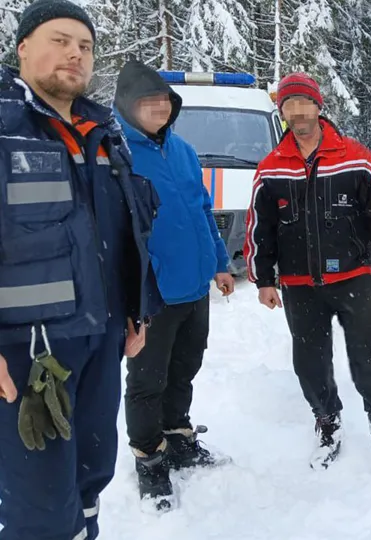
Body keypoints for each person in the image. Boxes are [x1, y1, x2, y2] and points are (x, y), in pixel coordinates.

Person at [0, 1, 163, 538]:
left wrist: (134, 313)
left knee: (90, 477)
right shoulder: (5, 126)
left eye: (86, 46)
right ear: (23, 48)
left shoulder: (103, 132)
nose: (75, 53)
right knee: (38, 505)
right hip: (28, 354)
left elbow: (124, 232)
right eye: (60, 40)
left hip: (102, 338)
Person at [244, 72, 371, 468]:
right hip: (299, 283)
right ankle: (327, 421)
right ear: (281, 111)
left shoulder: (355, 157)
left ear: (319, 106)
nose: (298, 111)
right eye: (289, 104)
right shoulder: (271, 167)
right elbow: (259, 228)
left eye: (304, 103)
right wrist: (263, 278)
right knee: (310, 361)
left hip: (353, 276)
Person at [113, 59, 235, 512]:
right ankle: (149, 460)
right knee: (147, 381)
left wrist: (221, 264)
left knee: (184, 367)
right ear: (127, 106)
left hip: (194, 287)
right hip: (151, 294)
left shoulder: (182, 149)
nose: (159, 109)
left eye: (164, 101)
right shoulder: (116, 153)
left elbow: (203, 209)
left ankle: (177, 436)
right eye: (149, 102)